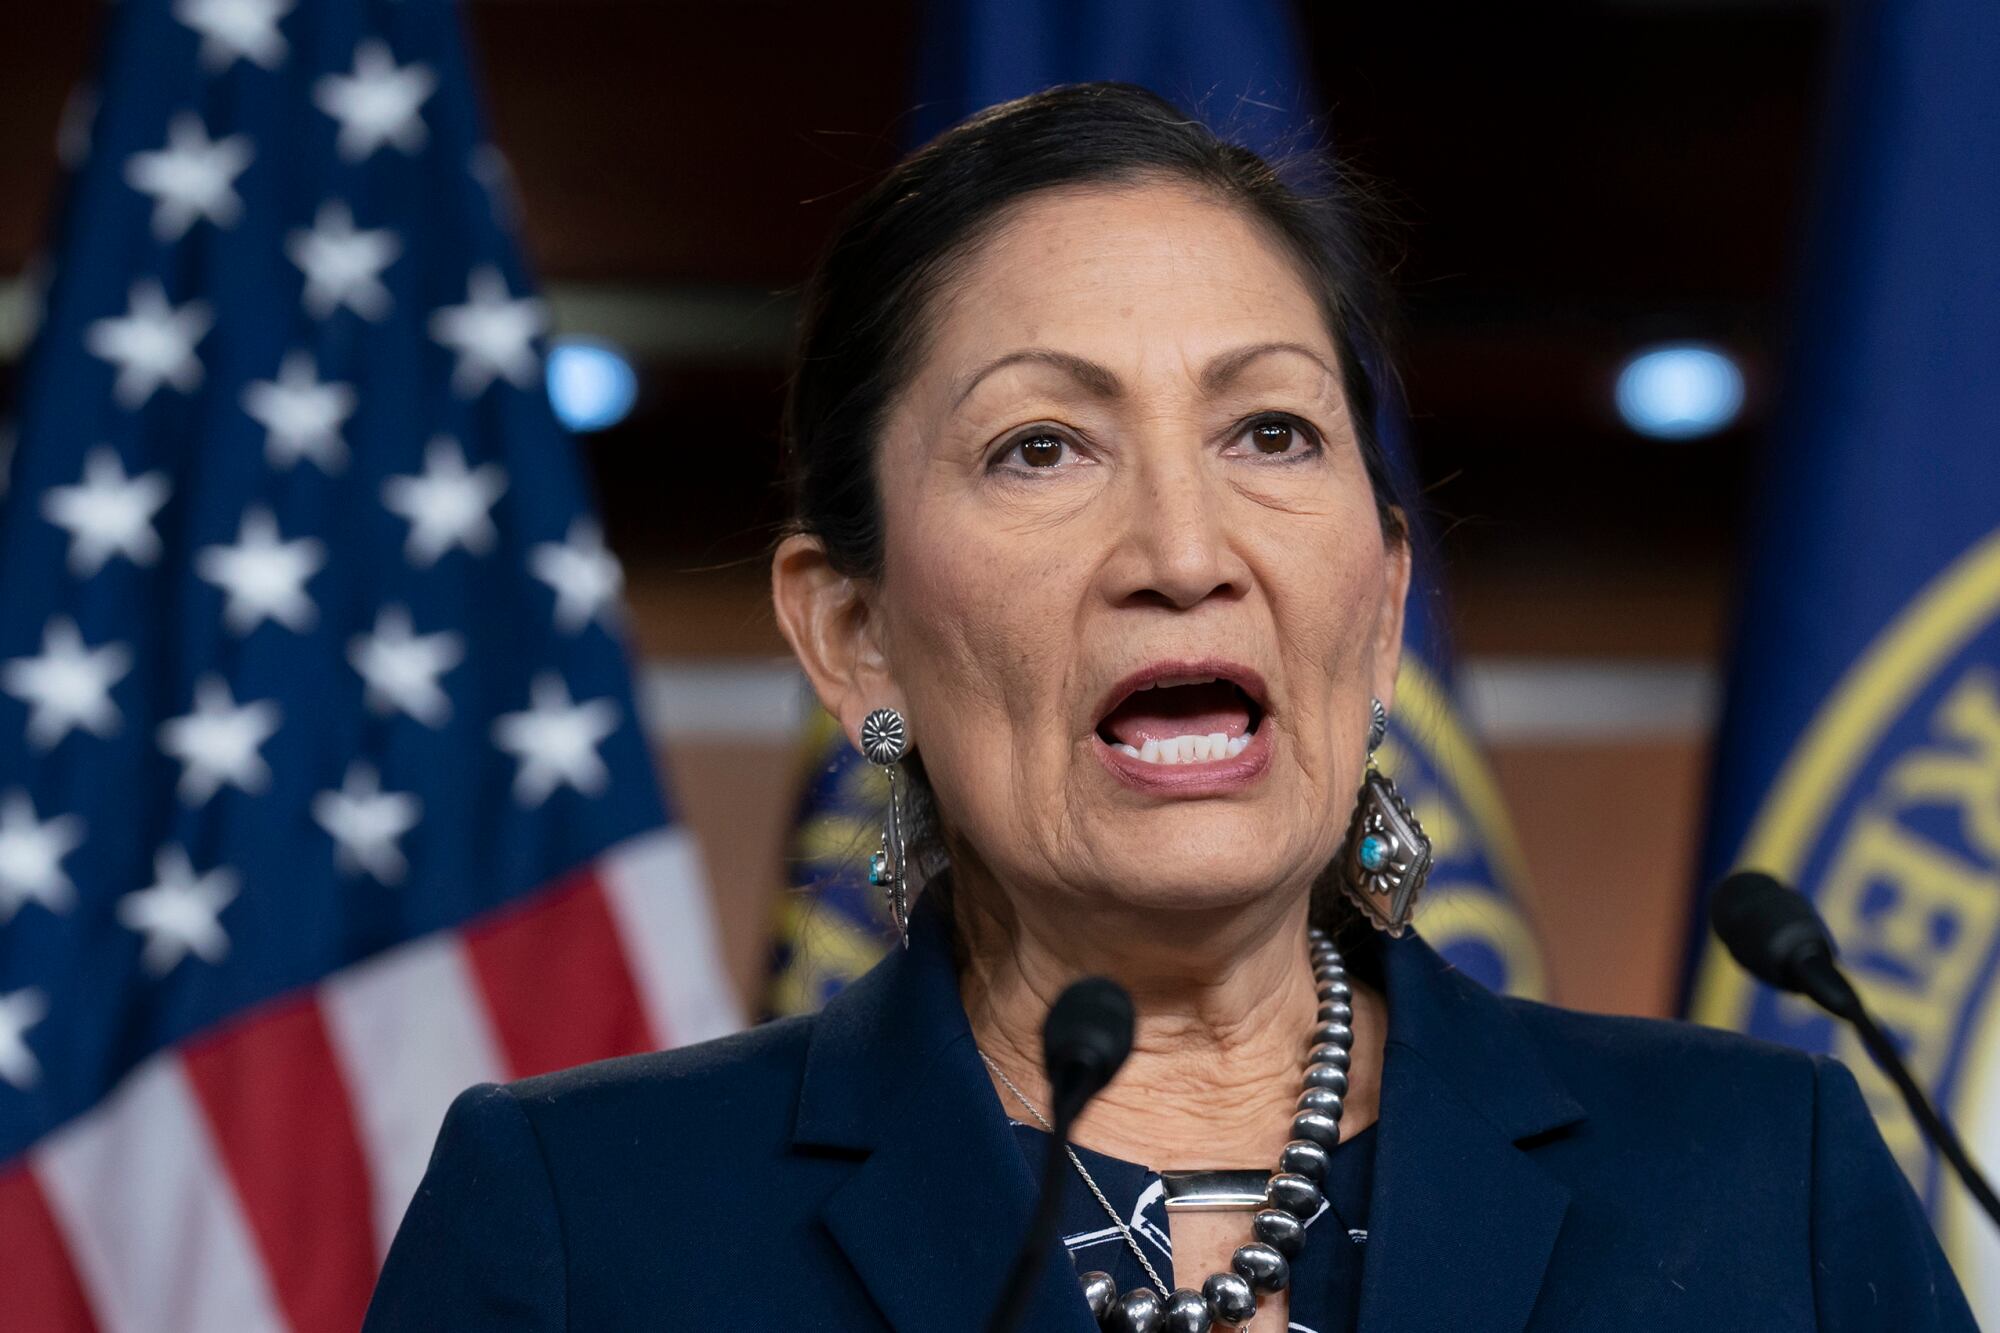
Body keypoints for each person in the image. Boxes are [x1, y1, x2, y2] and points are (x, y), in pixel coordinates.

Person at [362, 82, 1976, 1332]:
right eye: (1041, 447)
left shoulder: (1770, 1181)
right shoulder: (591, 1227)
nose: (1185, 553)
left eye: (1269, 432)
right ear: (852, 630)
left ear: (1386, 587)